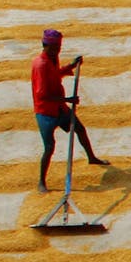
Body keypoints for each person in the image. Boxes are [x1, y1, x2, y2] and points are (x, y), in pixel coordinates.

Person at [31, 28, 108, 192]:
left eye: (58, 48)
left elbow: (56, 75)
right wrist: (68, 100)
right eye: (54, 49)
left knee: (80, 129)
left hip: (60, 108)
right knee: (49, 147)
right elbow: (42, 95)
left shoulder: (52, 59)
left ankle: (91, 158)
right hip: (46, 113)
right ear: (45, 46)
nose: (57, 52)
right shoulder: (41, 65)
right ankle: (41, 182)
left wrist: (70, 66)